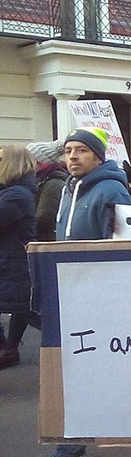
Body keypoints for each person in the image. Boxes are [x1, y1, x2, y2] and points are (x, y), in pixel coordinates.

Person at [29, 127, 131, 457]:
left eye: (81, 151)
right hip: (71, 295)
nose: (72, 156)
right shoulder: (68, 188)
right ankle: (72, 447)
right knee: (75, 373)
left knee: (87, 372)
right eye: (69, 150)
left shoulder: (111, 190)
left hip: (99, 299)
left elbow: (122, 247)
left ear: (98, 156)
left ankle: (77, 444)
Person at [0, 146, 39, 369]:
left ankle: (69, 345)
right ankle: (8, 349)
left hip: (14, 264)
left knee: (29, 311)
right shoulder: (11, 191)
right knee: (23, 308)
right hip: (9, 262)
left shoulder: (16, 195)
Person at [26, 140, 68, 242]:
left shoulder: (53, 183)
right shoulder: (42, 180)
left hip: (45, 242)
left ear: (38, 162)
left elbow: (44, 219)